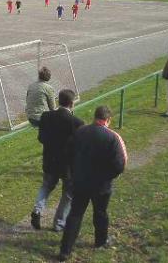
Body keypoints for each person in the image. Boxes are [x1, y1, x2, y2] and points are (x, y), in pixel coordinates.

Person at [58, 106, 127, 261]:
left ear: (95, 117)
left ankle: (65, 249)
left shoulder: (80, 132)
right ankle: (100, 241)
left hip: (81, 182)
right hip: (101, 185)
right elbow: (119, 165)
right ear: (108, 120)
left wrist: (74, 173)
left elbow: (67, 154)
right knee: (100, 213)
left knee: (75, 214)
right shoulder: (112, 137)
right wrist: (108, 176)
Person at [31, 90, 84, 233]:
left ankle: (37, 210)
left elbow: (41, 138)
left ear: (58, 101)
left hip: (49, 160)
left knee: (46, 186)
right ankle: (59, 223)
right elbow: (79, 146)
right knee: (68, 194)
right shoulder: (77, 123)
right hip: (67, 165)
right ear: (72, 104)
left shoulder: (46, 116)